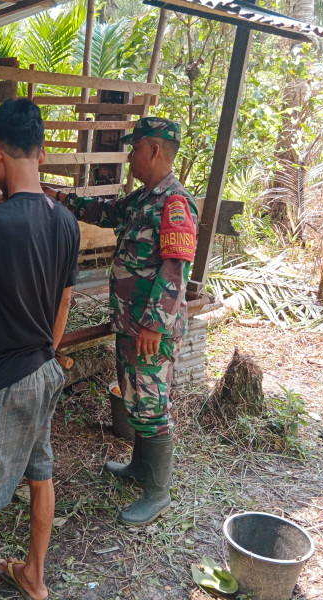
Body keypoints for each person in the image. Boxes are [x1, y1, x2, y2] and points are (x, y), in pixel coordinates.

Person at [0, 99, 81, 600]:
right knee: (40, 476)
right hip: (45, 369)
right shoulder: (65, 221)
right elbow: (64, 303)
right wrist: (46, 349)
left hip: (2, 381)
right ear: (40, 153)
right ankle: (34, 577)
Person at [43, 117, 198, 526]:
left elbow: (175, 270)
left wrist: (153, 325)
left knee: (150, 405)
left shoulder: (174, 203)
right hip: (131, 324)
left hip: (151, 329)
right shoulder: (142, 199)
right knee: (133, 396)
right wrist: (57, 196)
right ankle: (139, 468)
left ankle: (158, 493)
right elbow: (103, 210)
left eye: (134, 148)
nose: (129, 155)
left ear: (154, 150)